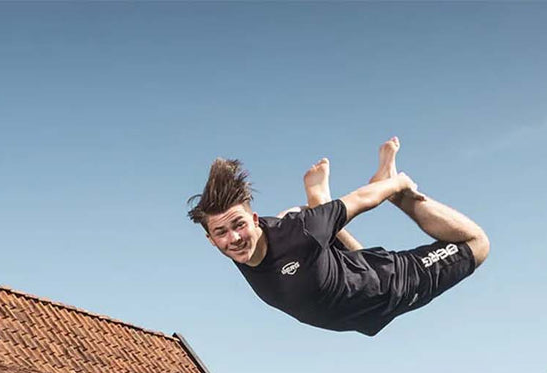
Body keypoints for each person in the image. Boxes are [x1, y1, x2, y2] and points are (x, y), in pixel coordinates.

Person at [187, 138, 489, 337]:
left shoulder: (301, 231)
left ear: (254, 220)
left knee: (477, 244)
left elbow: (360, 200)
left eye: (238, 225)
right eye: (221, 233)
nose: (235, 238)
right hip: (339, 285)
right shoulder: (253, 237)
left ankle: (393, 191)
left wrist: (398, 185)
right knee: (311, 233)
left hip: (385, 287)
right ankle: (319, 199)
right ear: (210, 240)